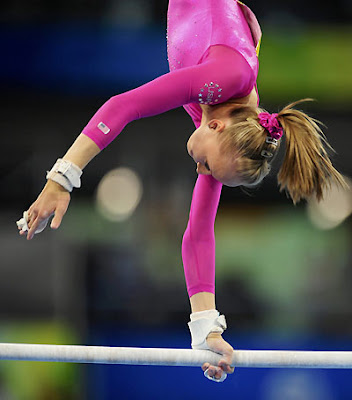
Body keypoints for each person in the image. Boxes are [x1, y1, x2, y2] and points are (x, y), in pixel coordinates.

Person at [16, 0, 346, 383]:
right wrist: (61, 180)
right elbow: (124, 105)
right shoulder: (226, 79)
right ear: (220, 129)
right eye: (207, 164)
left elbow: (198, 233)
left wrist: (207, 329)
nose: (199, 169)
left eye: (206, 170)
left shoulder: (218, 115)